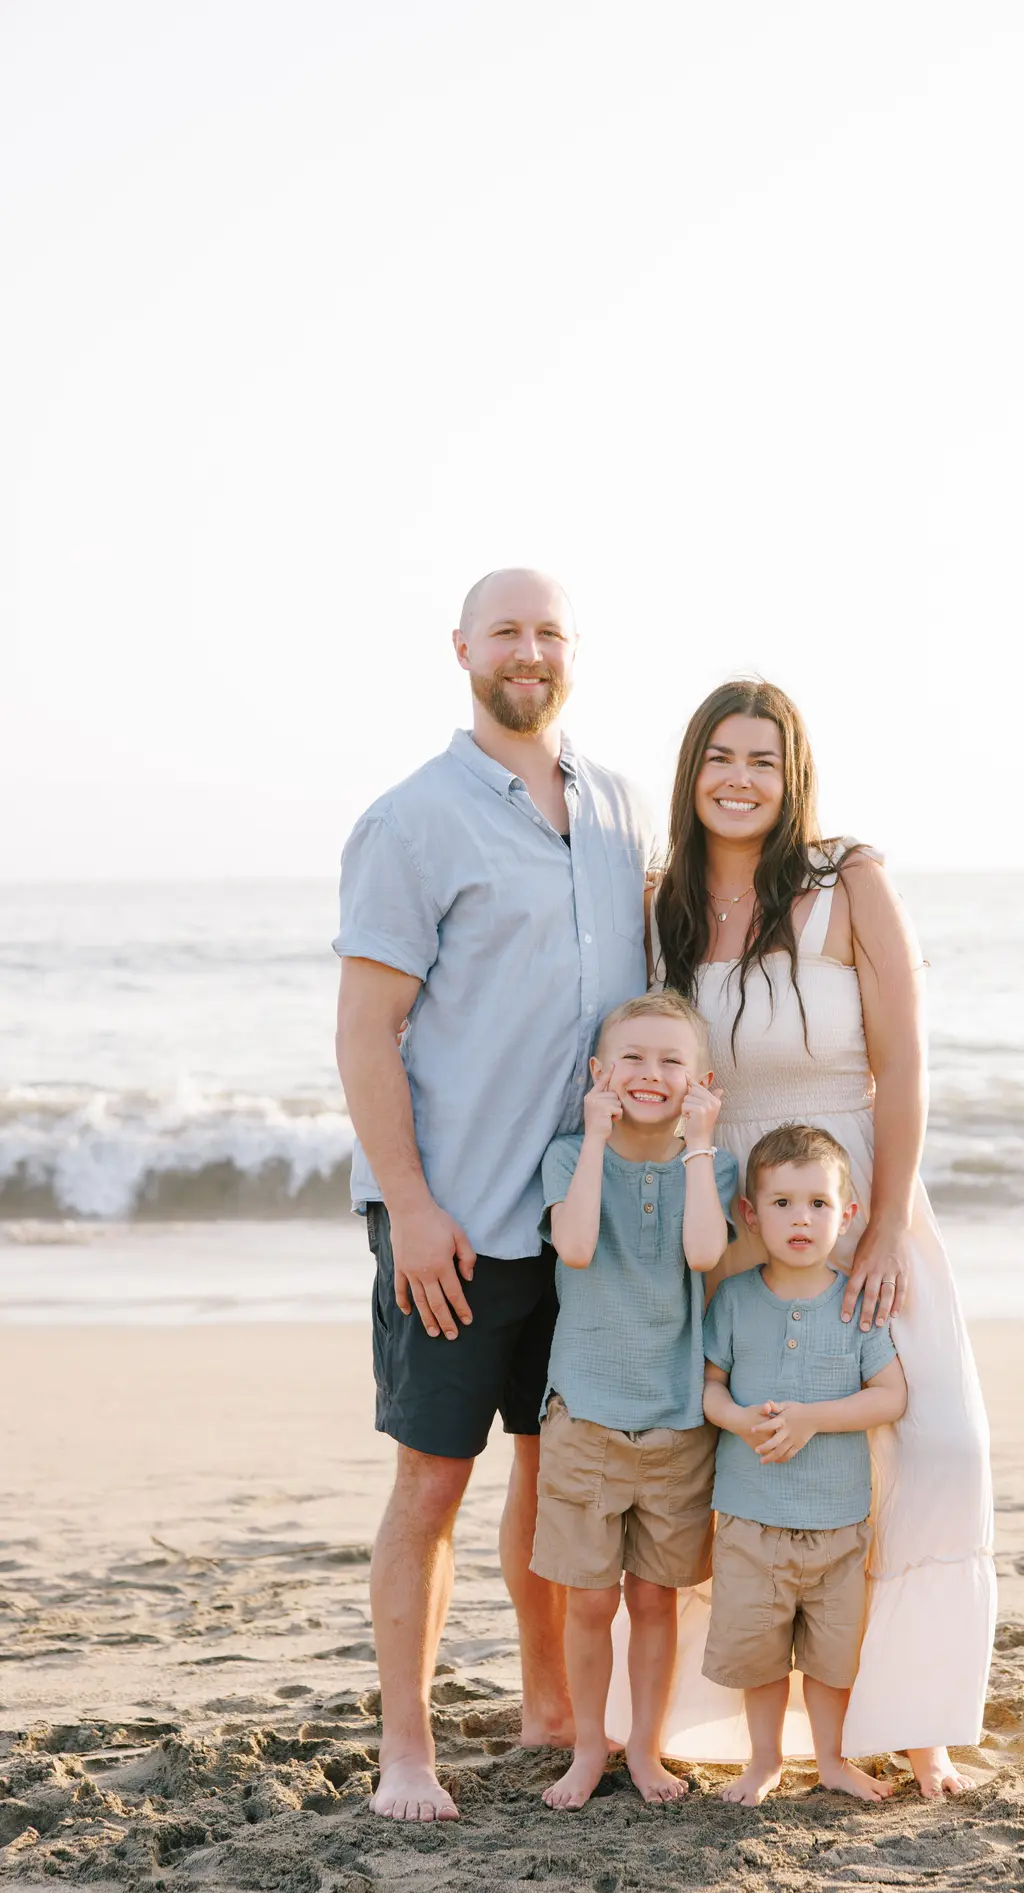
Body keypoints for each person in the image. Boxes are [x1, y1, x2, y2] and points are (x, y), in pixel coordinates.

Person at [607, 676, 995, 1799]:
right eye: (719, 757)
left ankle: (916, 1720)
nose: (740, 780)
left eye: (762, 760)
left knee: (935, 1442)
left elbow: (905, 1065)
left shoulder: (847, 880)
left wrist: (884, 1224)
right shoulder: (661, 903)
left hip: (850, 1190)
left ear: (794, 776)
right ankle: (731, 1723)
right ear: (691, 773)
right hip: (722, 1199)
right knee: (729, 1455)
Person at [333, 568, 652, 1823]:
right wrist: (410, 1206)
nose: (529, 649)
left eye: (548, 630)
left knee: (551, 1467)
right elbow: (366, 1030)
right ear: (461, 647)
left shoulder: (618, 806)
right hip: (453, 1214)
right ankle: (405, 1751)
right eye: (505, 630)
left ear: (573, 650)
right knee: (431, 1483)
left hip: (580, 1220)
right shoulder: (410, 821)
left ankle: (549, 1710)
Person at [534, 992, 738, 1810]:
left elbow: (704, 1252)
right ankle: (590, 1748)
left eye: (672, 1061)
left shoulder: (712, 1166)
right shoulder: (567, 1157)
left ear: (702, 1082)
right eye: (633, 1058)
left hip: (676, 1419)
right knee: (590, 1599)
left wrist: (699, 1147)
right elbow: (577, 1247)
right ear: (599, 1073)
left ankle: (646, 1750)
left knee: (656, 1599)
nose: (651, 1074)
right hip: (584, 1414)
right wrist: (594, 1138)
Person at [702, 1123, 908, 1806]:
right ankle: (764, 1761)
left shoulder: (856, 1305)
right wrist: (739, 1419)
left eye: (819, 1204)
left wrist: (814, 1417)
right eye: (783, 1203)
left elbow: (891, 1395)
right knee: (760, 1653)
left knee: (831, 1656)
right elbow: (708, 1388)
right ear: (750, 1214)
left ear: (847, 1216)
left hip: (838, 1524)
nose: (801, 1219)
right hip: (749, 1519)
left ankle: (831, 1762)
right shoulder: (735, 1299)